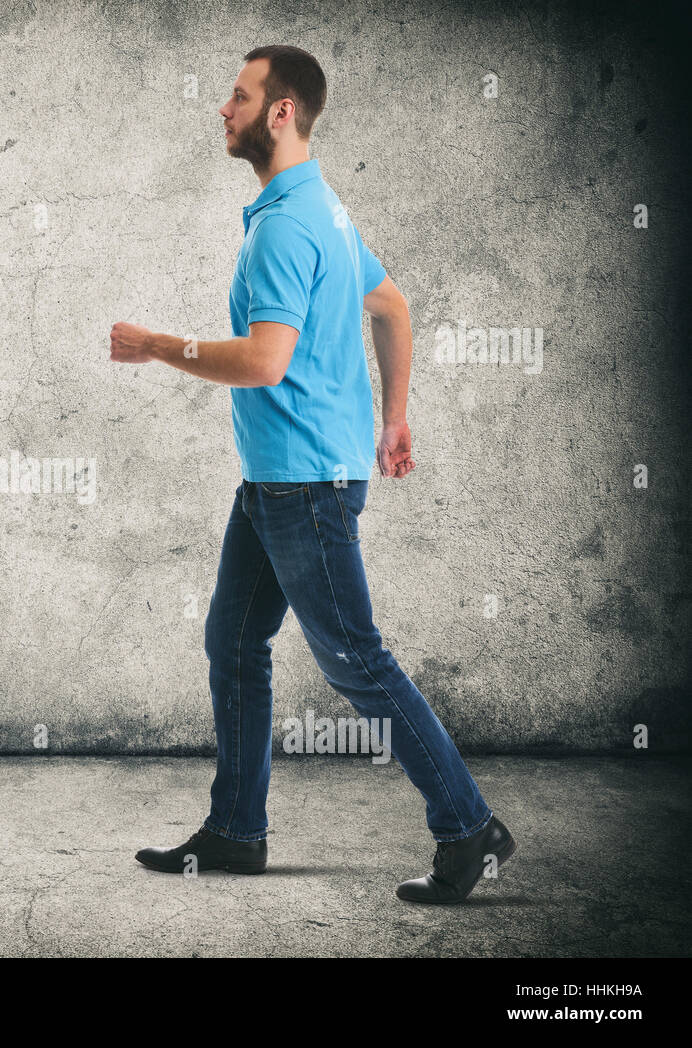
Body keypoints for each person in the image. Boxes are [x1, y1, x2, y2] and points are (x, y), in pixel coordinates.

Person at [109, 44, 514, 903]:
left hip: (304, 485)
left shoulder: (289, 226)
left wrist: (156, 345)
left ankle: (469, 826)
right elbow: (393, 305)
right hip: (277, 479)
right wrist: (394, 417)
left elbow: (263, 360)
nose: (223, 108)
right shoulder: (320, 212)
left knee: (357, 661)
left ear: (280, 111)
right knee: (234, 640)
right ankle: (236, 831)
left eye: (238, 95)